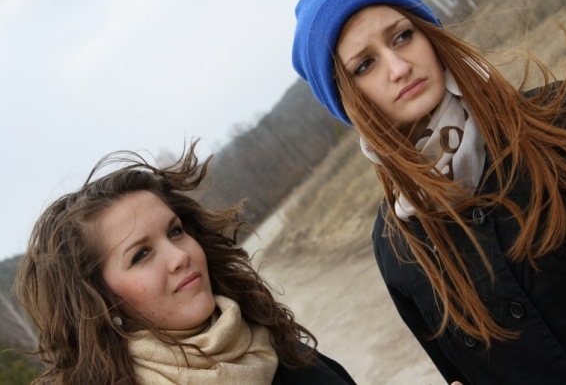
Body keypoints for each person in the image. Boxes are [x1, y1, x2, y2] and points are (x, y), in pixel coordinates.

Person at [291, 0, 566, 383]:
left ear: (429, 33)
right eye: (365, 65)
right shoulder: (397, 247)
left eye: (402, 36)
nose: (399, 67)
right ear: (348, 101)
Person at [13, 140, 356, 385]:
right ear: (99, 299)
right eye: (141, 254)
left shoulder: (281, 350)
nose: (180, 256)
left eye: (175, 232)